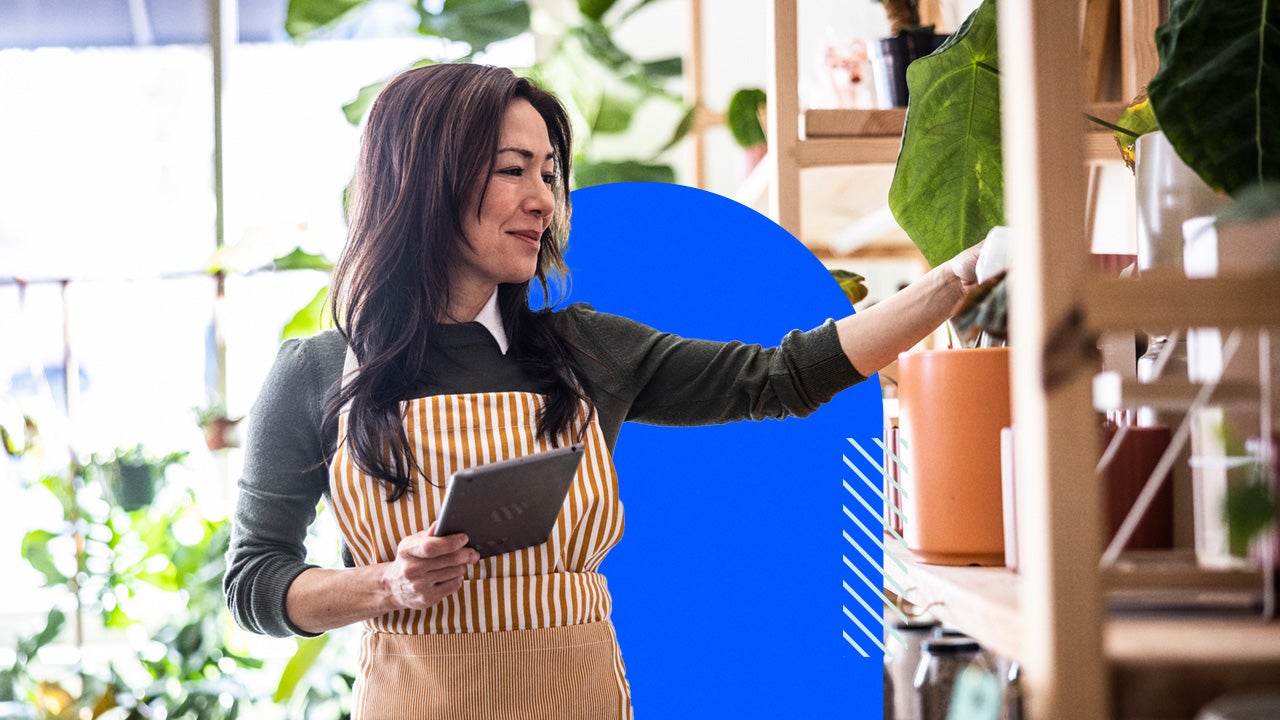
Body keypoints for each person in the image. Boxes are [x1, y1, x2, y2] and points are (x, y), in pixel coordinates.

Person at [223, 62, 979, 719]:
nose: (543, 200)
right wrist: (388, 584)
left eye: (549, 173)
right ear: (426, 179)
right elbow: (255, 580)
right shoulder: (319, 373)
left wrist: (957, 279)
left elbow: (781, 376)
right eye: (513, 169)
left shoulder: (586, 350)